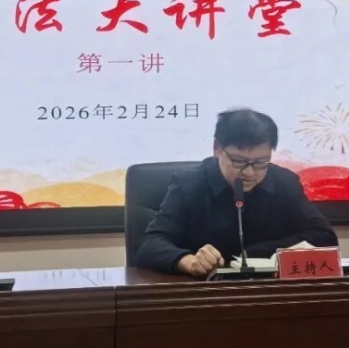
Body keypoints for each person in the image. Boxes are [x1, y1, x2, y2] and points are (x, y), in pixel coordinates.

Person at [135, 107, 338, 276]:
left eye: (260, 162)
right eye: (239, 161)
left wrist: (254, 253)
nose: (249, 172)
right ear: (217, 148)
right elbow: (149, 244)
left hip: (270, 292)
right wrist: (188, 261)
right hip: (205, 294)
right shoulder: (189, 184)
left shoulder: (284, 182)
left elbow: (324, 236)